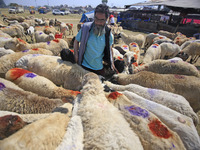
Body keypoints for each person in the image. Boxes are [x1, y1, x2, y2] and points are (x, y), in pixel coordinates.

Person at [73, 4, 118, 77]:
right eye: (96, 19)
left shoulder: (108, 34)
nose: (98, 22)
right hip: (84, 66)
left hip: (99, 68)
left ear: (107, 19)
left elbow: (110, 49)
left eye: (102, 20)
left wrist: (112, 62)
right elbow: (76, 41)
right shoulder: (86, 28)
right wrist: (76, 55)